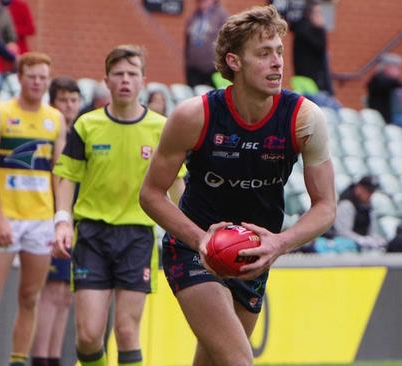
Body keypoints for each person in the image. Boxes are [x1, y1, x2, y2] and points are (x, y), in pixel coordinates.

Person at [139, 6, 336, 365]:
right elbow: (150, 194)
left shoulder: (305, 118)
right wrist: (200, 239)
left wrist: (279, 242)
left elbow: (326, 206)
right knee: (238, 361)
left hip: (253, 258)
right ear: (234, 61)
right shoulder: (192, 116)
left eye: (278, 51)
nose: (277, 62)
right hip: (192, 250)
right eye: (263, 54)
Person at [51, 45, 185, 366]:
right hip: (92, 236)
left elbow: (177, 183)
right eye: (118, 74)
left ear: (143, 81)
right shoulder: (87, 125)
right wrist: (62, 220)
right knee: (88, 335)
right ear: (107, 81)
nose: (125, 80)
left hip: (137, 237)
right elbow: (67, 176)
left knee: (126, 332)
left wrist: (186, 232)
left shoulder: (161, 128)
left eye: (132, 74)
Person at [0, 52, 66, 366]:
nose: (37, 83)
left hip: (39, 221)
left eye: (43, 78)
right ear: (19, 78)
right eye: (31, 76)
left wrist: (58, 219)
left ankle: (18, 360)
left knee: (29, 297)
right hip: (4, 218)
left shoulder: (55, 119)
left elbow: (58, 174)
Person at [30, 76, 80, 366]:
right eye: (63, 100)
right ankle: (40, 358)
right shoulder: (51, 136)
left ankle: (54, 358)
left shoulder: (79, 133)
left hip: (74, 223)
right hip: (51, 220)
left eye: (73, 99)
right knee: (49, 294)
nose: (69, 105)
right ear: (53, 103)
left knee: (64, 295)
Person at [334, 176, 386, 251]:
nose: (370, 195)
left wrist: (374, 240)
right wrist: (361, 240)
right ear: (359, 188)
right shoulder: (346, 204)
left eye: (372, 192)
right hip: (344, 247)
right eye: (368, 191)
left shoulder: (368, 207)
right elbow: (342, 232)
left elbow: (371, 231)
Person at [292, 1, 333, 95]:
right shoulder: (305, 31)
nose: (320, 17)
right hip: (309, 82)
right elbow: (320, 47)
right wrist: (321, 29)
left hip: (309, 81)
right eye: (317, 13)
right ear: (309, 14)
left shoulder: (303, 29)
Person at [184, 0, 228, 87]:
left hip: (213, 69)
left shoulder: (221, 16)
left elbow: (227, 42)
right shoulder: (194, 16)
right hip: (193, 69)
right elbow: (187, 42)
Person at [367, 53, 402, 123]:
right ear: (387, 67)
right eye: (397, 67)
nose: (399, 71)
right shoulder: (378, 79)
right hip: (383, 117)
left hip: (394, 116)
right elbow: (390, 84)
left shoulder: (390, 81)